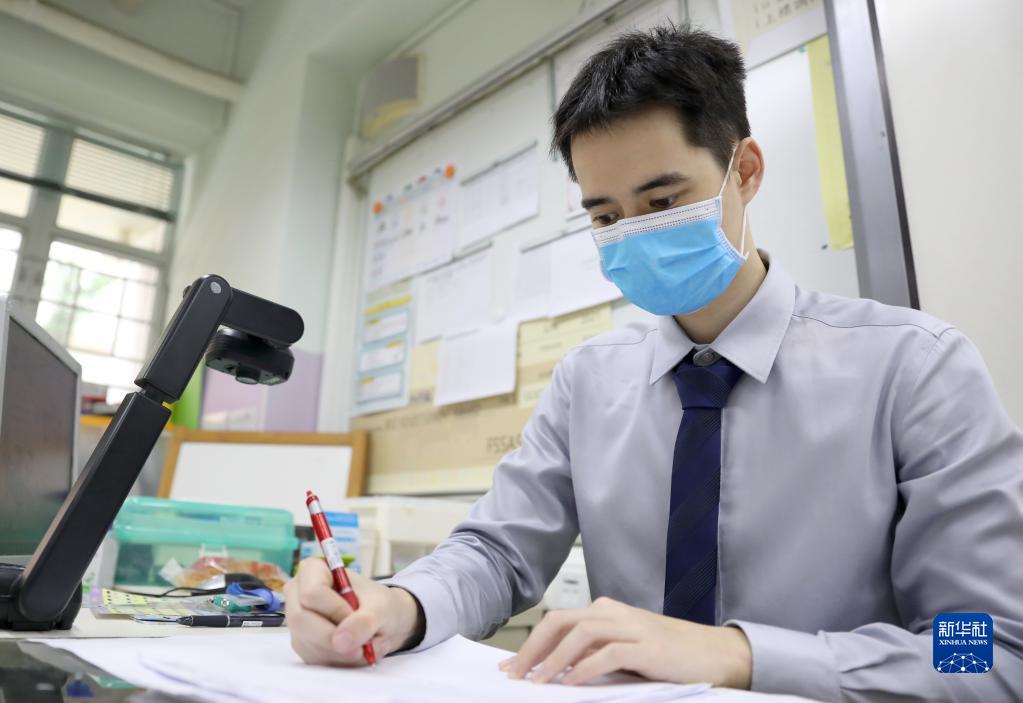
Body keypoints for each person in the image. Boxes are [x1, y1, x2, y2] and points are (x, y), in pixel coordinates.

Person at [285, 24, 1023, 701]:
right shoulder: (588, 382)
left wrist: (738, 655)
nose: (633, 234)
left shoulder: (913, 369)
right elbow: (498, 551)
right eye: (605, 216)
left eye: (663, 200)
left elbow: (986, 649)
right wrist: (399, 605)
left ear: (745, 171)